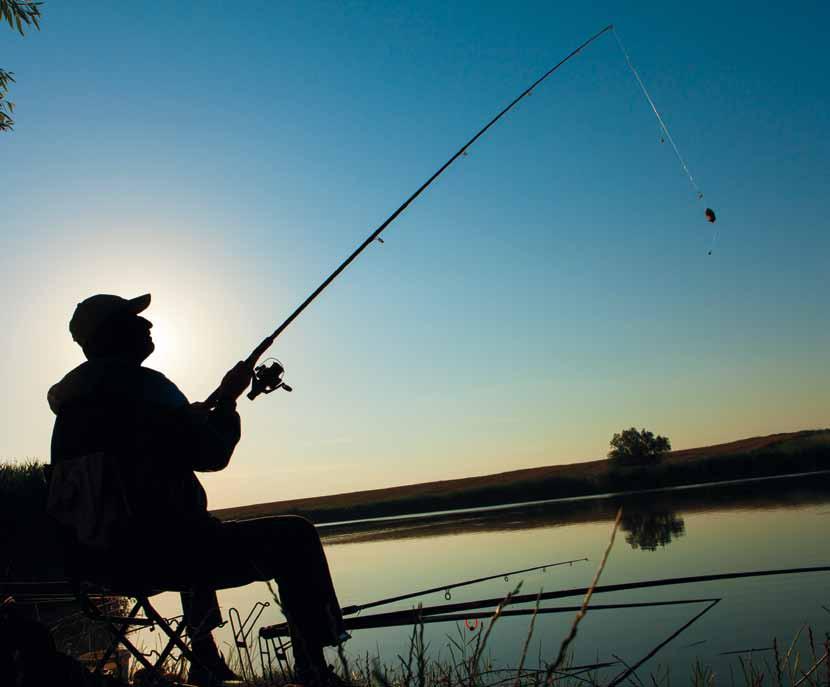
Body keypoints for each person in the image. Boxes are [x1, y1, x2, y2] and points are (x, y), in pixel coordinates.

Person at [47, 293, 348, 687]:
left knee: (190, 524)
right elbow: (210, 453)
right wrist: (227, 404)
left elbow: (144, 452)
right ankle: (312, 669)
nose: (148, 325)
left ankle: (204, 656)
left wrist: (192, 413)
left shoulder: (72, 409)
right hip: (163, 556)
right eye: (135, 320)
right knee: (296, 536)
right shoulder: (147, 388)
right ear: (111, 333)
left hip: (98, 565)